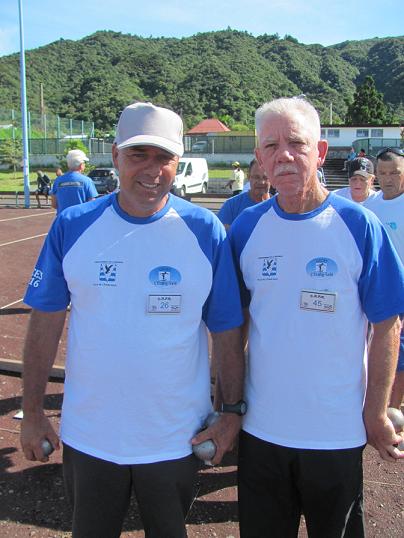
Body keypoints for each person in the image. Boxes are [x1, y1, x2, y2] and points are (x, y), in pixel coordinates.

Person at [20, 102, 245, 538]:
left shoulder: (205, 230)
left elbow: (227, 330)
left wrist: (230, 412)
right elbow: (45, 322)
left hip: (175, 437)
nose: (152, 169)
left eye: (164, 157)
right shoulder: (74, 224)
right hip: (92, 437)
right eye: (139, 154)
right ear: (116, 156)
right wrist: (31, 412)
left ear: (177, 163)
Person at [228, 97, 404, 538]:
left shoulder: (360, 226)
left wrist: (376, 410)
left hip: (336, 431)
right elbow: (233, 326)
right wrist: (227, 405)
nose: (283, 155)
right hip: (262, 431)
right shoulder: (245, 229)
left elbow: (387, 325)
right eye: (270, 146)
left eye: (296, 143)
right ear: (258, 157)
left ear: (321, 152)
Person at [365, 147, 404, 411]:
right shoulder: (369, 208)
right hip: (374, 294)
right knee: (372, 352)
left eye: (395, 172)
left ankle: (391, 409)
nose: (388, 178)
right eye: (382, 173)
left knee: (398, 356)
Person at [218, 159, 271, 230]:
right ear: (249, 177)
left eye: (265, 177)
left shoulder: (280, 206)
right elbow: (220, 234)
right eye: (256, 177)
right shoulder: (231, 206)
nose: (261, 182)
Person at [50, 149, 98, 214]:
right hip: (81, 219)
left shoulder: (58, 181)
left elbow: (54, 204)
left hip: (63, 220)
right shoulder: (87, 181)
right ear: (81, 165)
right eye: (84, 162)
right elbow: (91, 204)